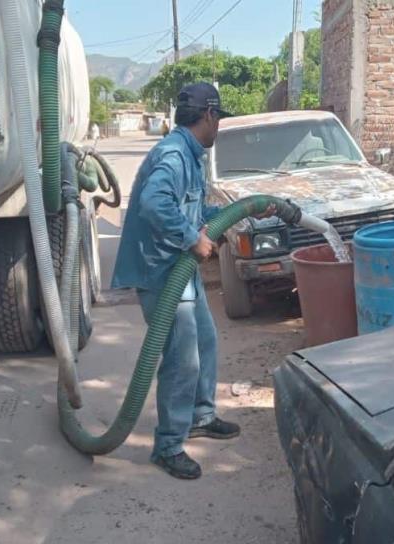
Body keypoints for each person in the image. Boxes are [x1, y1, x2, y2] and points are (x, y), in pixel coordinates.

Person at [111, 82, 275, 479]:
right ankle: (168, 446)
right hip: (161, 270)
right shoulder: (172, 154)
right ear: (210, 116)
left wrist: (236, 211)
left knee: (205, 341)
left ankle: (200, 415)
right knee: (183, 358)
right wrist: (191, 238)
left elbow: (193, 205)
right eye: (219, 119)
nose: (219, 126)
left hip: (179, 268)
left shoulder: (191, 153)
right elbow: (154, 203)